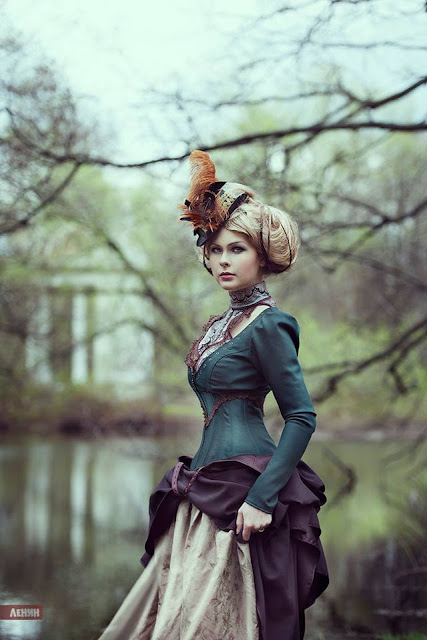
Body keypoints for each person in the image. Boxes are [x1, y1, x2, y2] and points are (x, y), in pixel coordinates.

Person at [97, 150, 329, 640]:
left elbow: (302, 417)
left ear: (262, 256)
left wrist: (263, 499)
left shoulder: (269, 326)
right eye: (215, 249)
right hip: (202, 485)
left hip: (244, 493)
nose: (223, 259)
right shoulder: (222, 324)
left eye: (237, 249)